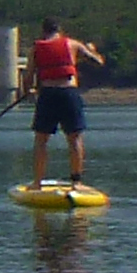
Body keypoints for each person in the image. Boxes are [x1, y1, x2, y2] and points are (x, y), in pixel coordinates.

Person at [23, 15, 108, 188]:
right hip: (68, 93)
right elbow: (98, 62)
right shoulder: (73, 44)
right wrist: (91, 50)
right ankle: (76, 182)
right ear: (59, 30)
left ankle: (37, 182)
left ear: (44, 31)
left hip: (48, 94)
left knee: (41, 140)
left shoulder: (36, 48)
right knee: (74, 138)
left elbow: (28, 75)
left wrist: (28, 91)